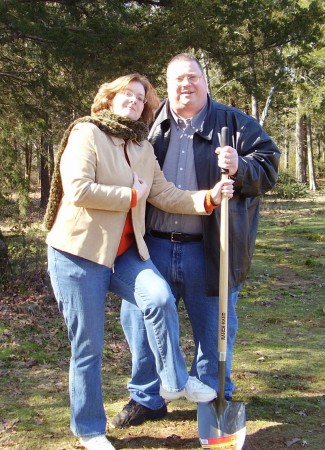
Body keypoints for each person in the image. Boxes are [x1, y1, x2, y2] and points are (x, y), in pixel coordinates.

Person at [44, 72, 234, 450]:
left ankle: (173, 382)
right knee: (88, 347)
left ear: (147, 107)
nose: (133, 100)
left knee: (158, 298)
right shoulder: (87, 133)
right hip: (79, 255)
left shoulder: (142, 146)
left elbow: (163, 193)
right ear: (110, 99)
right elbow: (78, 189)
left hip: (126, 253)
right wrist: (132, 195)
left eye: (141, 96)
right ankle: (89, 429)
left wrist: (208, 198)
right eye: (126, 94)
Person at [111, 53, 281, 429]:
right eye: (177, 80)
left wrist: (242, 166)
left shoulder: (235, 123)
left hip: (211, 246)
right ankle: (147, 396)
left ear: (205, 81)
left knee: (213, 327)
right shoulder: (149, 123)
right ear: (167, 87)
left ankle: (211, 394)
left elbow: (268, 166)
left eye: (192, 77)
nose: (185, 85)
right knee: (141, 321)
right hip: (151, 245)